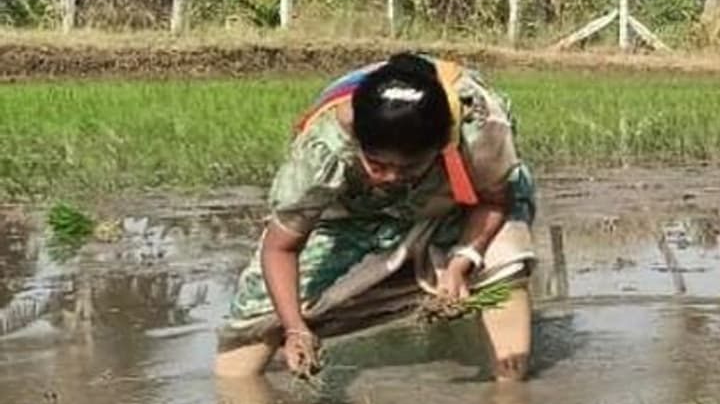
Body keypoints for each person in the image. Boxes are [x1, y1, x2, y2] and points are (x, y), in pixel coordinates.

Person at [213, 52, 536, 382]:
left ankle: (509, 395)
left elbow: (496, 200)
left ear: (442, 146)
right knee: (255, 324)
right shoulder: (325, 148)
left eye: (409, 168)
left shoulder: (478, 126)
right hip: (352, 216)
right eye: (377, 165)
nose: (391, 177)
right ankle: (238, 402)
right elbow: (280, 247)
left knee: (505, 258)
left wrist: (462, 261)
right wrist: (295, 328)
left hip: (449, 204)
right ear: (357, 140)